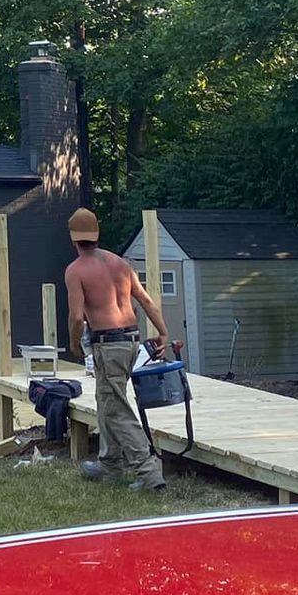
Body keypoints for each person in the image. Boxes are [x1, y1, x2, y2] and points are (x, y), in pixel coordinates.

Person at [63, 206, 168, 489]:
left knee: (116, 410)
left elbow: (76, 317)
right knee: (106, 401)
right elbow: (145, 300)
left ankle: (148, 472)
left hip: (108, 345)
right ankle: (109, 465)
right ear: (97, 234)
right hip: (131, 340)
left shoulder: (75, 270)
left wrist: (74, 344)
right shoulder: (120, 264)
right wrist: (163, 332)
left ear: (73, 239)